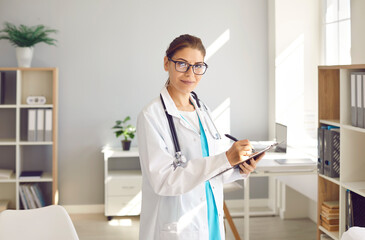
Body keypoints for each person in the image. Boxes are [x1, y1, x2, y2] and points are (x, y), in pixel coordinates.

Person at [137, 34, 265, 240]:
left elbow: (213, 167)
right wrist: (226, 159)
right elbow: (163, 181)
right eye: (182, 64)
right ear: (166, 63)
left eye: (198, 66)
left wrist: (238, 168)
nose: (190, 73)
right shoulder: (152, 116)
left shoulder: (202, 110)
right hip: (178, 225)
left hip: (209, 218)